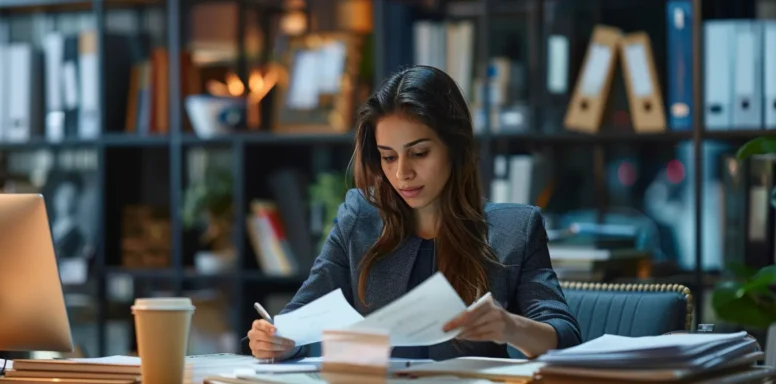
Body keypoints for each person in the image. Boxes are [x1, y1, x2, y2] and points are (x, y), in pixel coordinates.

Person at [246, 65, 581, 362]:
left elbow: (565, 337)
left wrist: (511, 326)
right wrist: (277, 340)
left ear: (456, 148)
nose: (402, 172)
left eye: (419, 153)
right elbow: (298, 320)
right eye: (388, 157)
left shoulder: (514, 230)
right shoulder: (359, 218)